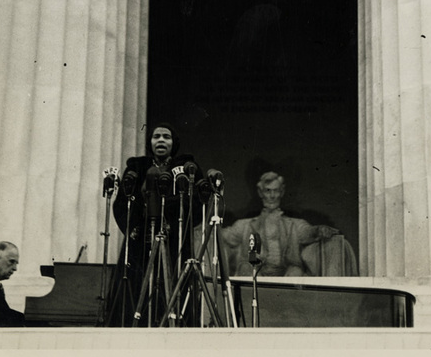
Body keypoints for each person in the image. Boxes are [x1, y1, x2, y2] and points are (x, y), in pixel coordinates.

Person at [110, 122, 206, 324]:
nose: (161, 140)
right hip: (140, 246)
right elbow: (121, 205)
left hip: (174, 244)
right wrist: (135, 228)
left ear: (174, 143)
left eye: (166, 136)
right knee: (135, 295)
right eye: (156, 136)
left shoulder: (187, 168)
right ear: (150, 142)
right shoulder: (136, 168)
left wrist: (172, 218)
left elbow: (197, 204)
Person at [221, 171, 339, 276]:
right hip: (256, 269)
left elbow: (307, 232)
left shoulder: (293, 224)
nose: (272, 196)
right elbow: (225, 235)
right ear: (260, 193)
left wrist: (318, 230)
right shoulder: (245, 225)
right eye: (268, 191)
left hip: (287, 270)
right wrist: (206, 229)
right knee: (246, 268)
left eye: (276, 191)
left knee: (296, 271)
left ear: (281, 192)